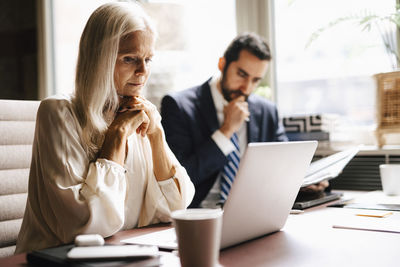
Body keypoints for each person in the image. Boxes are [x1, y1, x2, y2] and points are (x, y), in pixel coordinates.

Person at [15, 2, 194, 254]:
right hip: (58, 259)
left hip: (120, 253)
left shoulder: (138, 114)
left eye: (148, 59)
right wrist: (118, 135)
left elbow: (176, 208)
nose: (143, 71)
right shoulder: (58, 113)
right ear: (100, 58)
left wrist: (155, 135)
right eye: (129, 59)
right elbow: (85, 227)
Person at [161, 32, 328, 208]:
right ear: (222, 64)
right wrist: (226, 131)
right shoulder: (178, 106)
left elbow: (284, 169)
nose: (246, 88)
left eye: (255, 80)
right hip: (200, 213)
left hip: (254, 210)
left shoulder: (266, 111)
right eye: (241, 74)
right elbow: (178, 182)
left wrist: (305, 182)